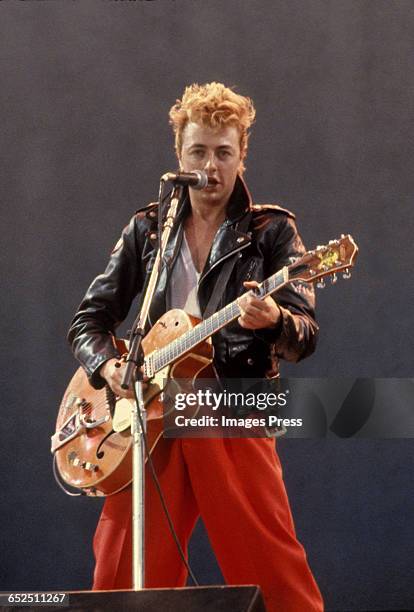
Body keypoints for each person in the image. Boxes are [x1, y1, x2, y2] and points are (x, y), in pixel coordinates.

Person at [68, 82, 324, 612]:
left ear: (242, 155)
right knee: (121, 567)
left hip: (235, 407)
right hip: (153, 410)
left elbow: (305, 336)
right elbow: (88, 321)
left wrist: (274, 318)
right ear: (179, 156)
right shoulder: (148, 228)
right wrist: (109, 366)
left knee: (269, 566)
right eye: (199, 152)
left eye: (224, 152)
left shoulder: (272, 231)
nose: (211, 165)